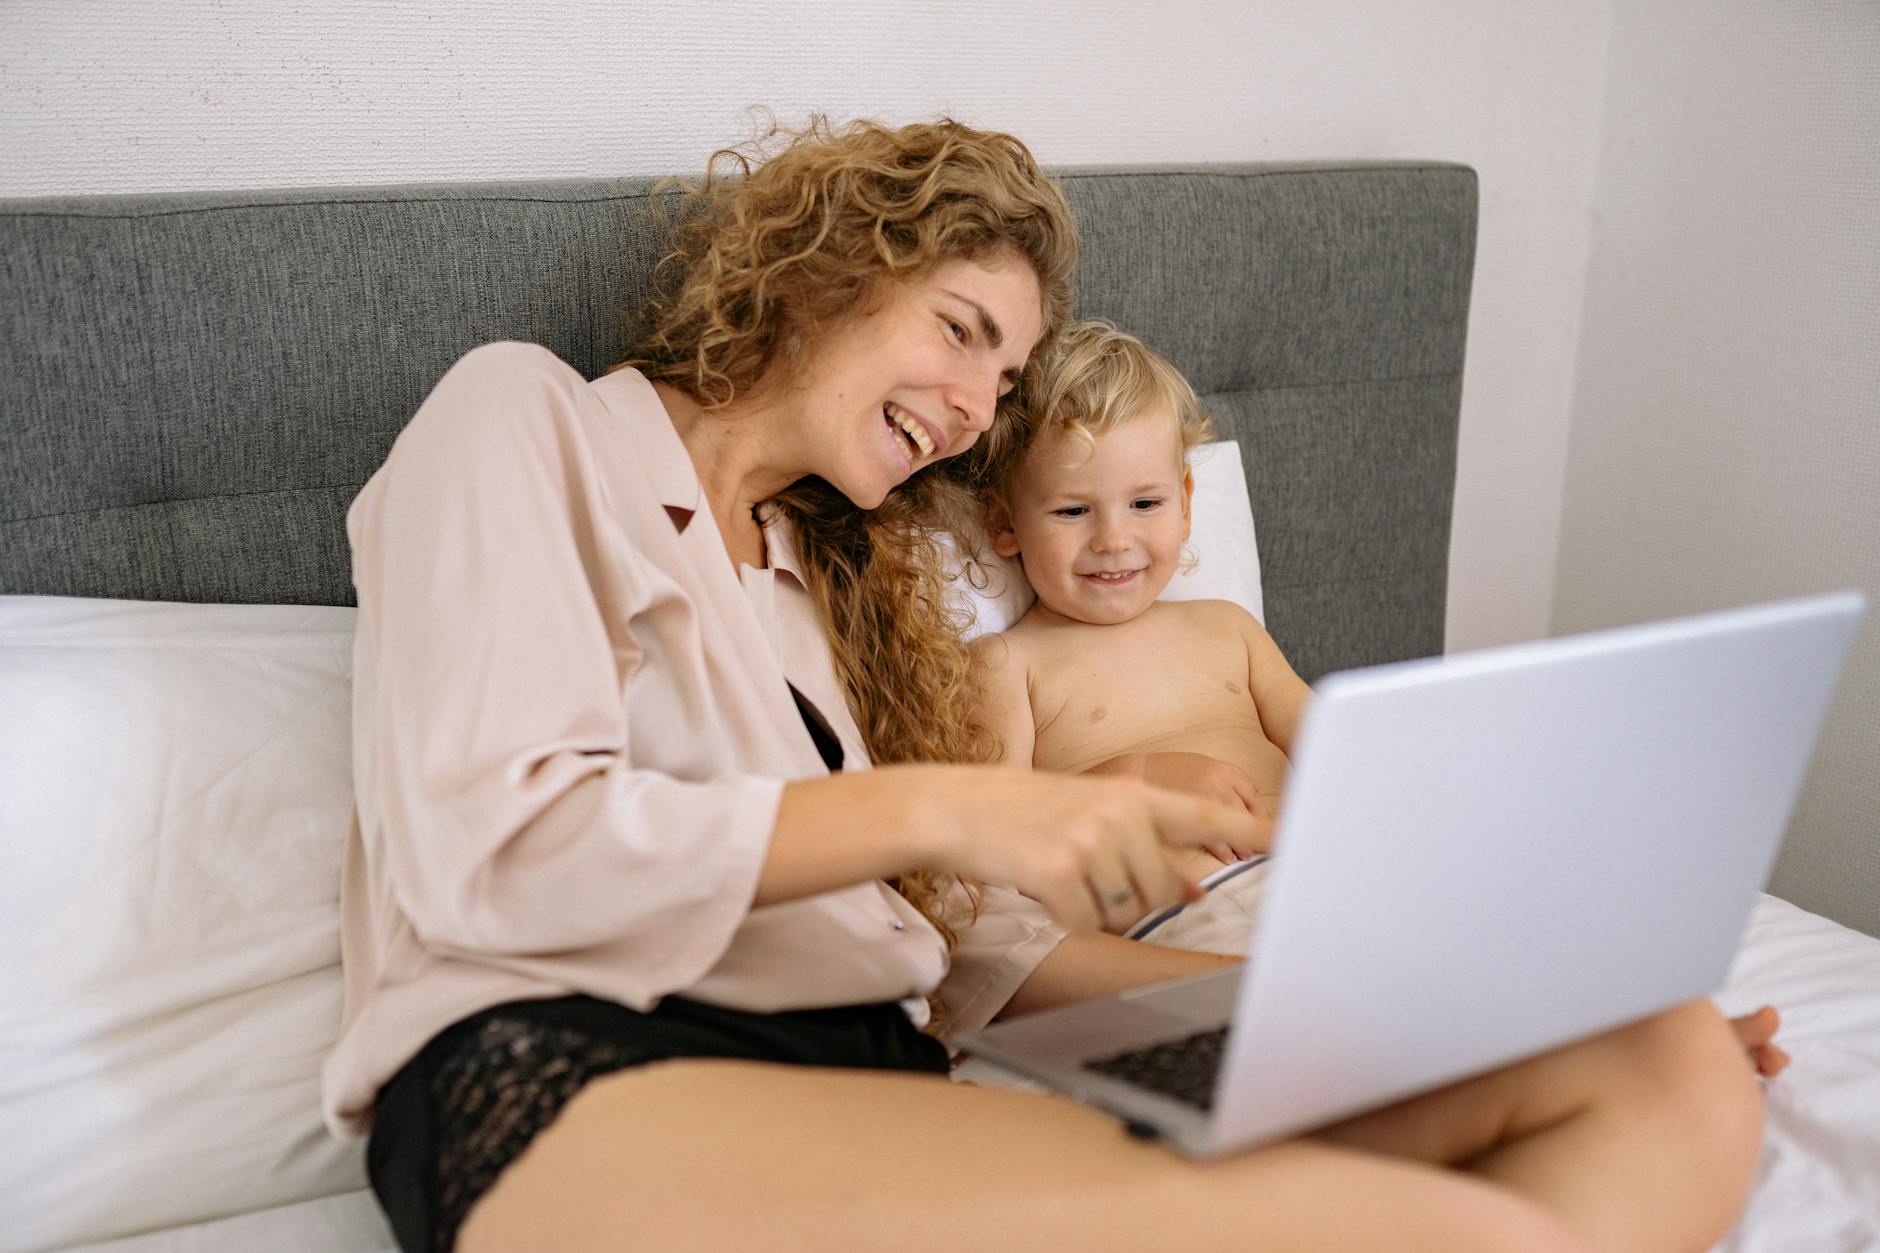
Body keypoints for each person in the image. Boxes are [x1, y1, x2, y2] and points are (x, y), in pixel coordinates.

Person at [326, 116, 1771, 1253]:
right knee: (1419, 1229)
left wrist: (1366, 1004)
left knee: (1659, 1063)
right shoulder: (529, 423)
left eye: (1003, 383)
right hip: (586, 1063)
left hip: (885, 1069)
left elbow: (967, 965)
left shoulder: (843, 600)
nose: (972, 409)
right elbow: (495, 855)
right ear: (826, 267)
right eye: (962, 331)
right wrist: (965, 806)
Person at [967, 319, 1794, 1049]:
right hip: (1189, 913)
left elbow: (1348, 744)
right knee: (1377, 1018)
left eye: (1144, 501)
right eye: (1073, 511)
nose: (1116, 539)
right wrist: (1140, 779)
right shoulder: (1012, 664)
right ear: (1005, 524)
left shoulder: (1226, 630)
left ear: (1186, 503)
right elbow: (996, 846)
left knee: (1509, 940)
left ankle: (1649, 1036)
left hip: (1329, 873)